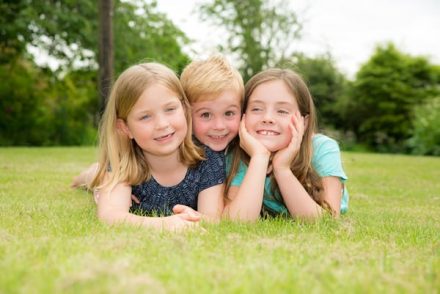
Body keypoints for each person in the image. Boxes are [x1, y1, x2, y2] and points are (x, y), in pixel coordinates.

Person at [87, 62, 225, 230]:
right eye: (145, 117)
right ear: (125, 128)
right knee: (95, 177)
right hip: (112, 170)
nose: (161, 124)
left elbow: (212, 219)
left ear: (184, 109)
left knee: (98, 175)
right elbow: (110, 216)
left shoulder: (207, 159)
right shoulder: (123, 164)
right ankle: (91, 177)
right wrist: (166, 224)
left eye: (170, 109)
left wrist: (193, 218)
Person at [223, 68, 349, 221]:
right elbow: (238, 220)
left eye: (282, 111)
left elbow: (327, 222)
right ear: (243, 115)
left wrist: (282, 169)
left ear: (304, 121)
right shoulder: (237, 153)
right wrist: (259, 158)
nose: (268, 118)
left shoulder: (322, 149)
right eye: (256, 109)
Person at [180, 54, 244, 152]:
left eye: (228, 113)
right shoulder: (179, 160)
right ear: (187, 114)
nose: (219, 126)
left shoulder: (247, 152)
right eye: (206, 115)